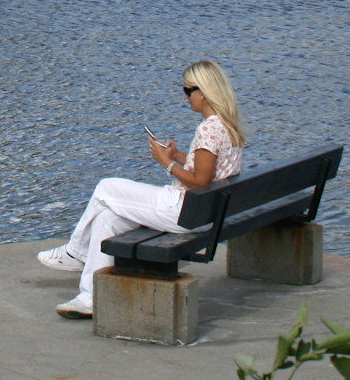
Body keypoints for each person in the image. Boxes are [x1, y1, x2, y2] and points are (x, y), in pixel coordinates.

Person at [38, 59, 246, 319]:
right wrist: (179, 155)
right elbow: (209, 172)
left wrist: (166, 163)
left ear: (202, 93)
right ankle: (90, 297)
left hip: (182, 210)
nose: (185, 96)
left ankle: (75, 251)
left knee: (105, 188)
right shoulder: (226, 124)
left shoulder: (209, 129)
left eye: (187, 90)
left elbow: (201, 182)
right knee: (106, 219)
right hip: (202, 213)